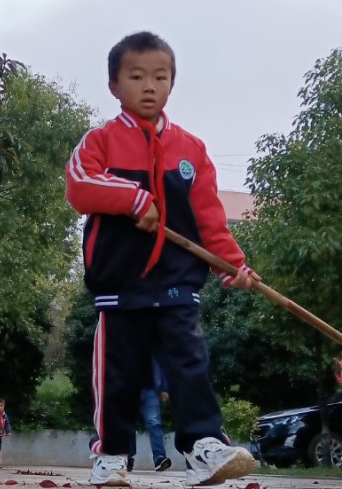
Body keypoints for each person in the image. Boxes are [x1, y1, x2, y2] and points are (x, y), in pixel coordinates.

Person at [65, 31, 260, 487]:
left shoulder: (191, 150)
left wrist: (232, 266)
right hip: (120, 285)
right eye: (136, 77)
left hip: (178, 283)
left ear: (172, 83)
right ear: (114, 85)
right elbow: (79, 185)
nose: (149, 86)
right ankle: (112, 456)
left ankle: (204, 446)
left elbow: (210, 220)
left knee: (190, 364)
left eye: (160, 76)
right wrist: (133, 199)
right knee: (120, 374)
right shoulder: (100, 143)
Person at [126, 357, 172, 473]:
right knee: (128, 423)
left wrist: (164, 388)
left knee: (154, 422)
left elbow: (162, 363)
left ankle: (159, 459)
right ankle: (127, 459)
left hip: (151, 389)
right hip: (130, 388)